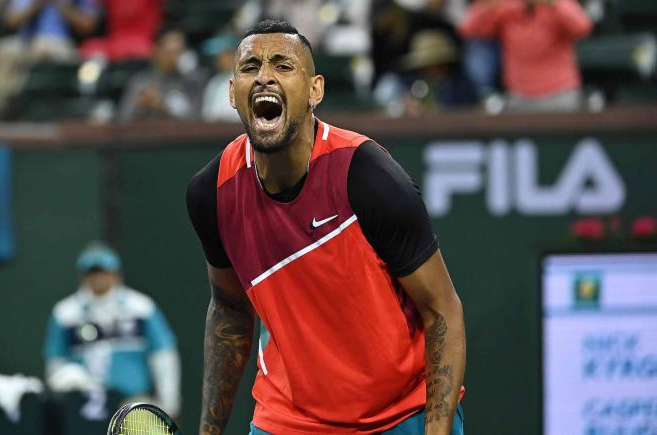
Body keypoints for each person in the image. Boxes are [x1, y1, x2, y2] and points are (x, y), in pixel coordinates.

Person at [186, 19, 466, 435]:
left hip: (398, 415)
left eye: (282, 65)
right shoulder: (212, 192)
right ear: (231, 93)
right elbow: (229, 309)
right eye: (250, 68)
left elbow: (442, 311)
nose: (264, 76)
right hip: (289, 420)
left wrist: (438, 430)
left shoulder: (367, 175)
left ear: (315, 90)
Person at [43, 242, 181, 417]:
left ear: (116, 274)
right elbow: (56, 363)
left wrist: (169, 403)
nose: (98, 278)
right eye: (92, 273)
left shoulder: (141, 308)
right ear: (83, 276)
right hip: (83, 406)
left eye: (103, 272)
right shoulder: (65, 314)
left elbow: (163, 356)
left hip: (131, 403)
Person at [459, 0, 593, 112]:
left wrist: (553, 3)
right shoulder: (508, 8)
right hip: (518, 97)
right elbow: (468, 28)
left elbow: (582, 27)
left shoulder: (556, 3)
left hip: (560, 95)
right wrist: (487, 5)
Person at [0, 0, 100, 109]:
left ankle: (45, 105)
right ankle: (6, 106)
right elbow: (11, 21)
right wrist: (36, 5)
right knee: (5, 51)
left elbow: (88, 25)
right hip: (25, 42)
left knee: (45, 49)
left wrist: (61, 6)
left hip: (60, 43)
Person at [118, 30, 205, 122]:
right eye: (170, 53)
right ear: (156, 51)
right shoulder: (140, 82)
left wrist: (162, 106)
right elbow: (122, 119)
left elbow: (196, 119)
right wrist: (140, 106)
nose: (174, 58)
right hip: (145, 135)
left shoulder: (192, 82)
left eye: (178, 52)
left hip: (180, 135)